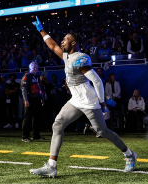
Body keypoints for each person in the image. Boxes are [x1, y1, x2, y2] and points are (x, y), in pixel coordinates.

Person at [30, 16, 137, 178]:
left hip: (88, 100)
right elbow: (51, 45)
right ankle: (52, 166)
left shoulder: (80, 58)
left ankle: (130, 155)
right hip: (75, 100)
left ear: (73, 43)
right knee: (57, 125)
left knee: (103, 131)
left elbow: (97, 80)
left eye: (66, 40)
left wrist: (102, 103)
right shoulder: (66, 56)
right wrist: (41, 29)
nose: (62, 42)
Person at [21, 62, 45, 142]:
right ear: (30, 68)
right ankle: (25, 136)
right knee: (27, 118)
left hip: (37, 99)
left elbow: (40, 89)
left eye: (36, 67)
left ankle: (36, 135)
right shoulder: (27, 76)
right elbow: (23, 89)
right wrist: (26, 100)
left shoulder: (38, 77)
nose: (35, 69)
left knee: (37, 118)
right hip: (30, 99)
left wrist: (42, 99)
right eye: (34, 67)